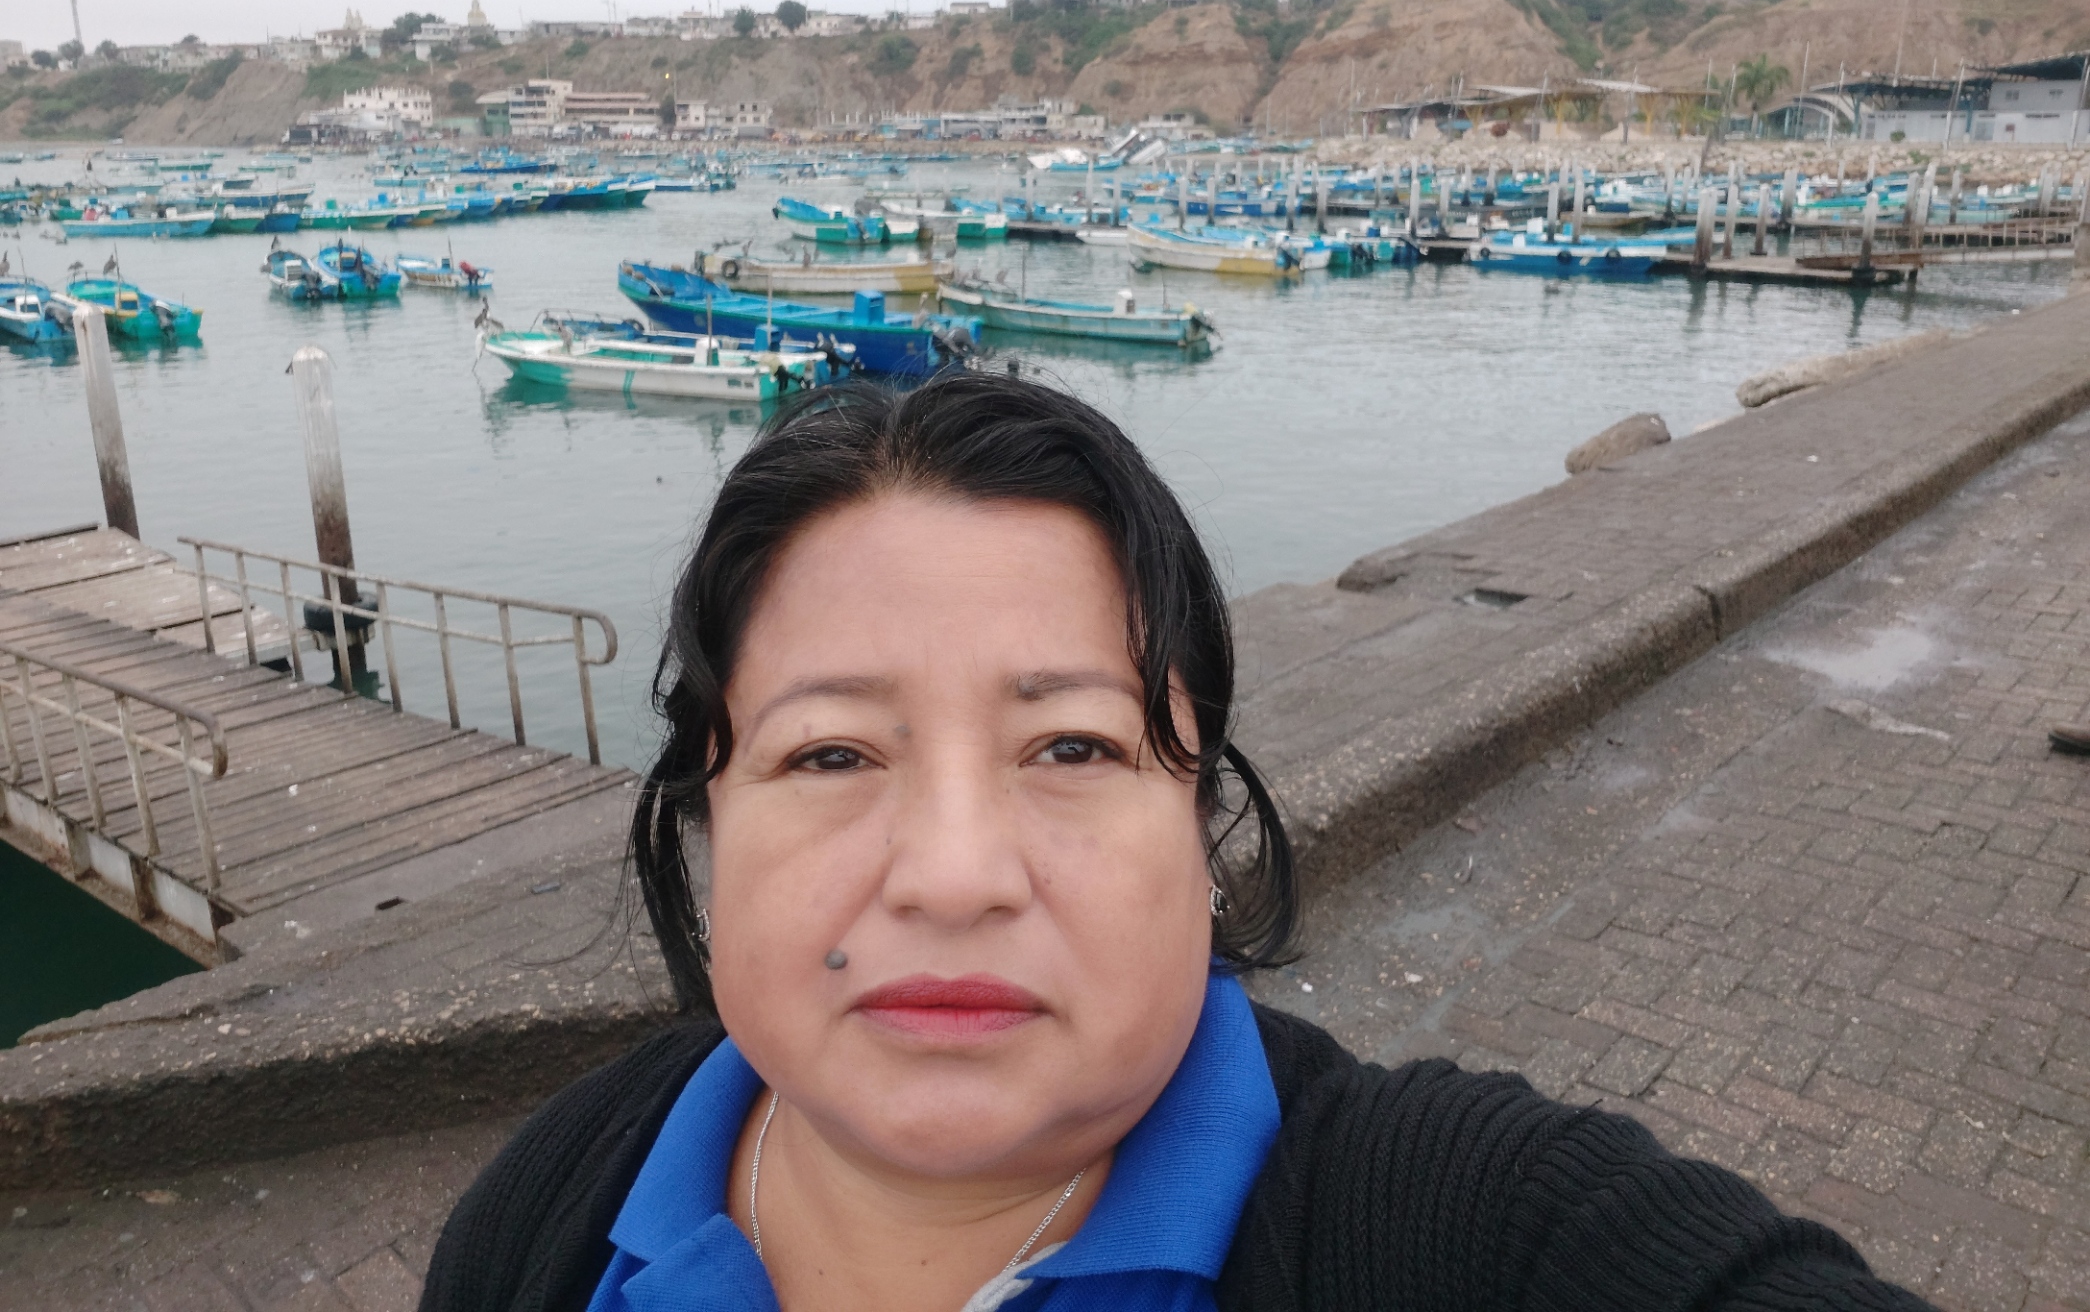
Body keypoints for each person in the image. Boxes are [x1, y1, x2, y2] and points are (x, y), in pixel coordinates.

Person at [422, 373, 1933, 1312]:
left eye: (1073, 748)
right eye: (830, 755)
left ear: (1203, 820)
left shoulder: (1477, 1229)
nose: (954, 876)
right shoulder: (553, 1208)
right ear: (707, 820)